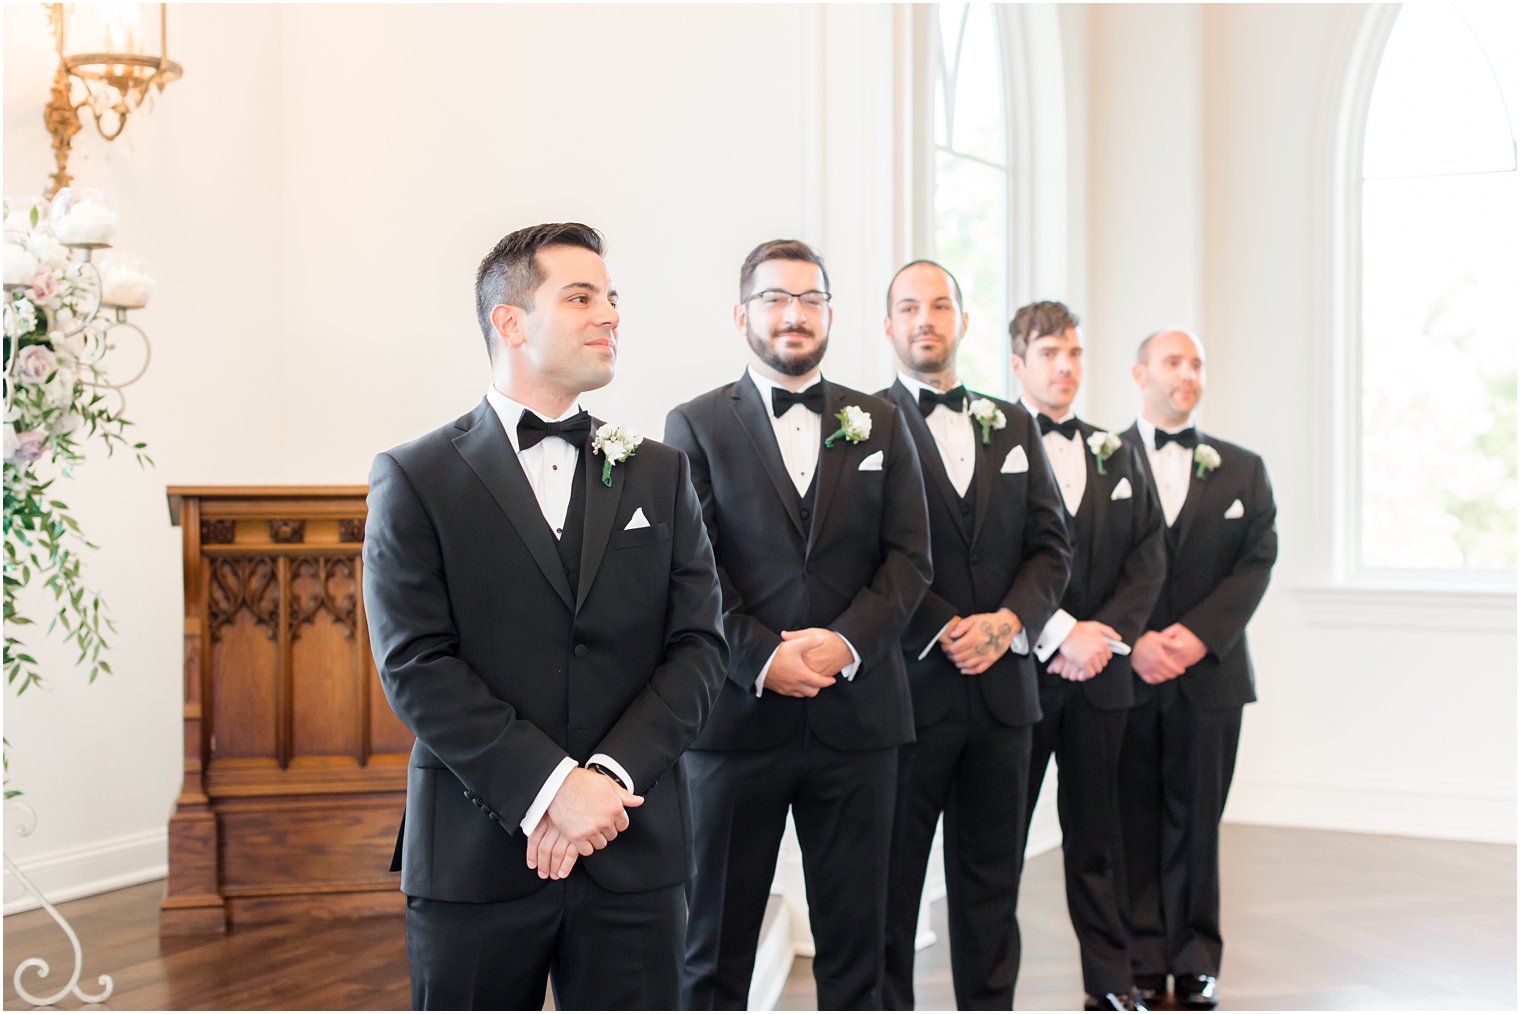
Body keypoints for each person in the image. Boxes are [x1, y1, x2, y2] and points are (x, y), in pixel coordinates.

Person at [362, 222, 727, 1010]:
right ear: (511, 322)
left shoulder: (660, 473)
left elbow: (699, 646)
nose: (610, 315)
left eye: (613, 298)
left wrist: (608, 780)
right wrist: (552, 787)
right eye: (581, 296)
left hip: (634, 847)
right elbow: (415, 664)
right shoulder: (415, 477)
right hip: (475, 852)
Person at [665, 239, 932, 1010]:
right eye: (777, 299)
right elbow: (695, 572)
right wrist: (760, 658)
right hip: (734, 726)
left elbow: (910, 560)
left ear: (831, 314)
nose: (794, 315)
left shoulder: (882, 420)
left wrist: (846, 642)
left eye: (810, 299)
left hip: (861, 720)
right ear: (742, 314)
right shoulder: (696, 424)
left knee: (861, 949)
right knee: (713, 946)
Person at [877, 262, 1070, 1010]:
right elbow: (866, 552)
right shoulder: (863, 423)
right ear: (888, 325)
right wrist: (942, 626)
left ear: (962, 320)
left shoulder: (1012, 422)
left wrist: (1009, 621)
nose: (926, 318)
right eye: (908, 307)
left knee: (993, 884)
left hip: (1003, 700)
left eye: (940, 305)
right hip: (906, 698)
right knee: (892, 885)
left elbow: (1053, 548)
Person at [1008, 301, 1166, 1012]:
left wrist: (1099, 637)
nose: (1065, 366)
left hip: (1101, 677)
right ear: (1019, 364)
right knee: (998, 841)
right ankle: (991, 987)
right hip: (1019, 677)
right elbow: (995, 559)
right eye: (1049, 353)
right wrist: (1058, 632)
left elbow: (1149, 556)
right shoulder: (994, 446)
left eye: (1074, 352)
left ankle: (1110, 983)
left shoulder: (1116, 447)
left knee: (1098, 836)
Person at [1117, 329, 1277, 1011]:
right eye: (1173, 362)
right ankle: (1141, 957)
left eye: (1197, 364)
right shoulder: (1100, 460)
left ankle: (1197, 957)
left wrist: (1193, 637)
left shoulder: (1243, 468)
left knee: (1199, 819)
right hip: (1123, 673)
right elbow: (1081, 562)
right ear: (1140, 372)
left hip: (1210, 676)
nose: (1187, 374)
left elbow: (1256, 561)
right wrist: (1137, 641)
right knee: (1132, 818)